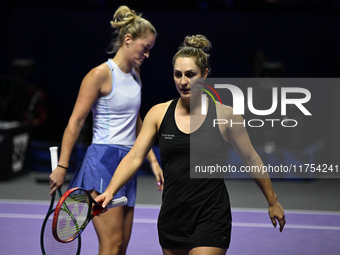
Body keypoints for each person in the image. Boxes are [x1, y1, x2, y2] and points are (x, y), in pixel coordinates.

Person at [96, 35, 286, 255]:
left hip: (211, 216)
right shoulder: (158, 114)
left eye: (190, 75)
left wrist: (272, 201)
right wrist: (110, 190)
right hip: (172, 218)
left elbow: (251, 158)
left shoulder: (226, 116)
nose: (183, 82)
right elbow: (134, 157)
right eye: (178, 75)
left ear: (205, 75)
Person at [49, 5, 164, 255]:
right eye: (145, 48)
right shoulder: (99, 75)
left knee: (120, 247)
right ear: (128, 39)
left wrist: (152, 160)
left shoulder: (136, 74)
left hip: (128, 164)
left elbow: (136, 120)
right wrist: (62, 166)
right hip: (101, 162)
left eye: (150, 50)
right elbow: (76, 122)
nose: (147, 54)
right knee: (111, 245)